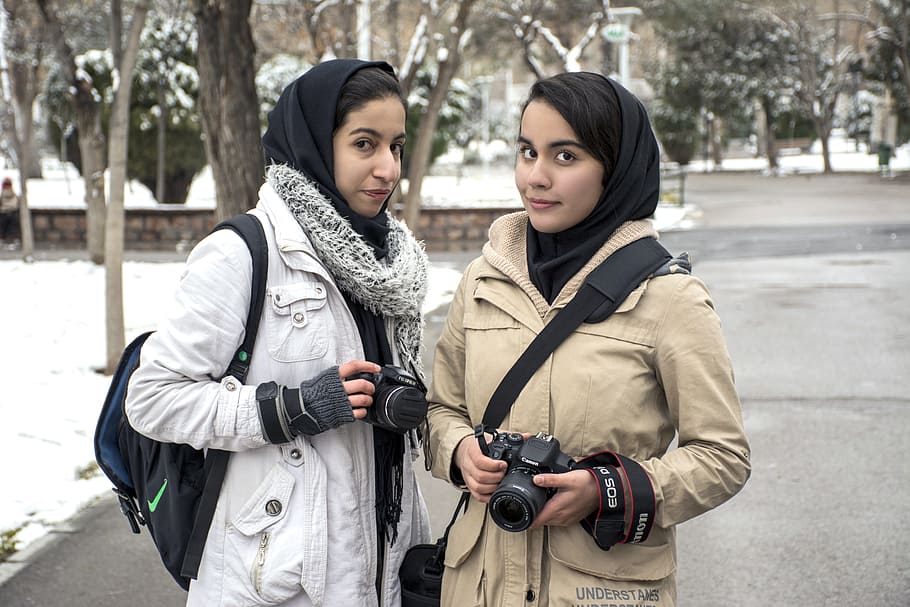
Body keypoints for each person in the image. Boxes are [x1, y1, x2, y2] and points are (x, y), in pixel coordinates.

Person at [425, 72, 751, 607]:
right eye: (527, 152)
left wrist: (607, 491)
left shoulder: (670, 298)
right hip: (478, 586)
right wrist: (460, 451)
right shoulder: (483, 280)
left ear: (615, 170)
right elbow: (442, 410)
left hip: (602, 589)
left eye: (566, 157)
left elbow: (723, 456)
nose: (536, 176)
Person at [126, 59, 432, 606]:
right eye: (365, 144)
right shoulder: (243, 253)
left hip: (380, 565)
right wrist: (285, 410)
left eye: (397, 146)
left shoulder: (389, 265)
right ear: (315, 140)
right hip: (269, 576)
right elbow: (152, 400)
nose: (388, 168)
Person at [0, 176, 19, 245]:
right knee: (12, 228)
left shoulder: (2, 193)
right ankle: (13, 240)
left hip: (4, 212)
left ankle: (2, 239)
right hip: (12, 211)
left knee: (3, 228)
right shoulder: (13, 193)